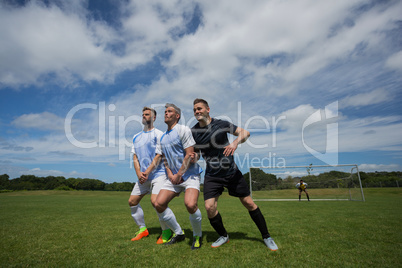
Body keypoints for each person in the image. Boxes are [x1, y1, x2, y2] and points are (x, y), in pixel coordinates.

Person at [191, 98, 278, 251]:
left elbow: (245, 132)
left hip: (231, 172)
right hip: (212, 175)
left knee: (249, 203)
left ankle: (267, 236)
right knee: (209, 207)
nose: (197, 112)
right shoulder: (194, 132)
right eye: (195, 110)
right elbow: (197, 154)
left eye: (200, 108)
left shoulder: (221, 124)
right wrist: (194, 157)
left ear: (208, 109)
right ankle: (224, 235)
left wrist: (235, 142)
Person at [154, 103, 203, 250]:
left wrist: (179, 174)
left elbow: (189, 154)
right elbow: (164, 159)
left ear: (177, 116)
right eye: (165, 112)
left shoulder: (183, 130)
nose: (165, 114)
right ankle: (179, 233)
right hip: (174, 177)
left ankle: (197, 235)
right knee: (159, 204)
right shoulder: (162, 137)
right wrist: (170, 174)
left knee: (190, 204)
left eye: (169, 111)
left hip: (190, 175)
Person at [129, 107, 176, 244]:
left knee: (156, 202)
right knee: (132, 201)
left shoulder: (159, 134)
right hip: (143, 177)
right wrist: (139, 173)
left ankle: (166, 231)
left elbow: (159, 155)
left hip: (158, 174)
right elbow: (135, 157)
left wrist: (148, 171)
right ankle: (143, 229)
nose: (144, 116)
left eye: (147, 114)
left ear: (154, 117)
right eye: (143, 114)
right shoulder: (136, 136)